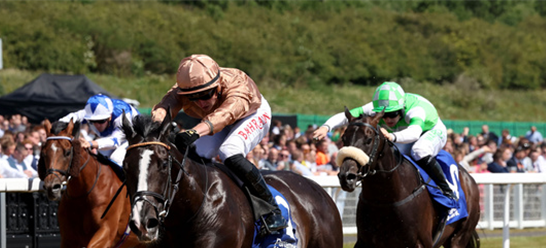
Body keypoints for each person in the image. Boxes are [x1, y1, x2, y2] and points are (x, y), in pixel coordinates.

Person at [151, 54, 287, 233]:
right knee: (194, 154)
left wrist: (194, 132)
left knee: (229, 151)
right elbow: (165, 106)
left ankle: (271, 209)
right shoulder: (185, 87)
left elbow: (226, 115)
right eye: (193, 98)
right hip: (215, 120)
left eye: (206, 95)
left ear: (218, 86)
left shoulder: (237, 85)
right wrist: (155, 124)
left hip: (251, 114)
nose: (201, 102)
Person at [312, 81, 457, 202]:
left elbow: (414, 133)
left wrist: (392, 137)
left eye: (392, 114)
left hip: (430, 131)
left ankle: (446, 189)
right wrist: (326, 127)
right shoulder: (377, 106)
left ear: (402, 108)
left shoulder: (416, 110)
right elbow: (347, 116)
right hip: (404, 133)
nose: (388, 119)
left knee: (419, 151)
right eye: (385, 115)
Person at [59, 94, 139, 168]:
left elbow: (115, 141)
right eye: (92, 121)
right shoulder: (88, 113)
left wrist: (90, 143)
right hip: (113, 136)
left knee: (116, 158)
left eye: (101, 121)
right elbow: (69, 118)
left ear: (110, 116)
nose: (97, 125)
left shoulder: (121, 116)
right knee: (101, 157)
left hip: (134, 137)